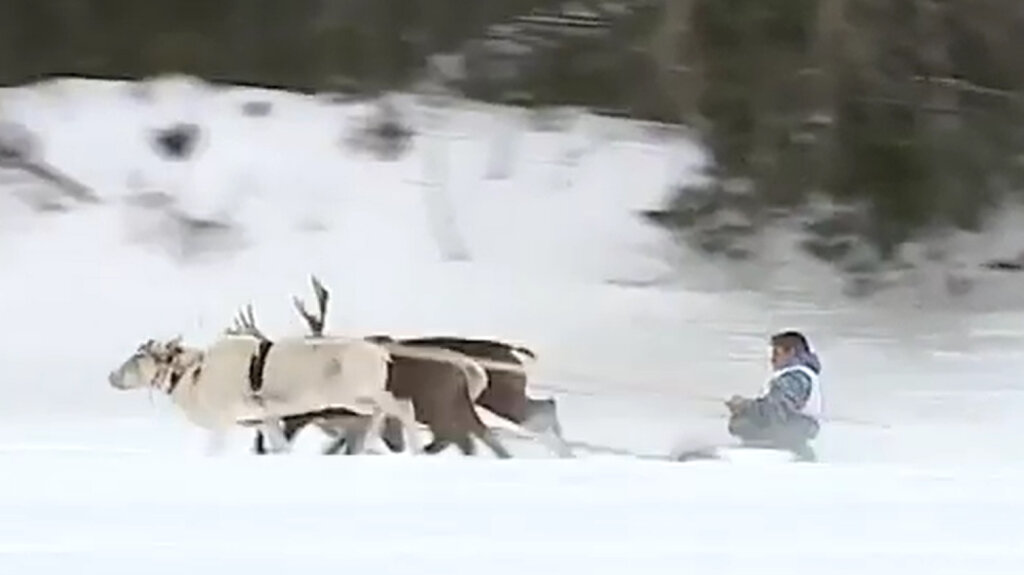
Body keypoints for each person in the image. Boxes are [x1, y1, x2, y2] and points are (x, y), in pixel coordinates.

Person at [725, 330, 822, 461]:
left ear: (791, 352)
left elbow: (776, 411)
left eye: (777, 353)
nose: (772, 359)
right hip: (787, 442)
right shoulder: (799, 376)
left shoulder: (794, 378)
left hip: (784, 443)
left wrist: (744, 406)